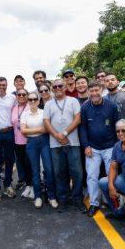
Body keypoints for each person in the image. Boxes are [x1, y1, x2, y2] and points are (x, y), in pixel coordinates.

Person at [44, 78, 84, 213]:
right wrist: (57, 136)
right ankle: (63, 198)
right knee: (59, 173)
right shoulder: (48, 104)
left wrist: (64, 133)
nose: (57, 88)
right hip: (55, 145)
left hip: (73, 143)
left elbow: (78, 119)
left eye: (60, 86)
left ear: (64, 87)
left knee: (77, 172)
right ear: (52, 89)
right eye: (54, 87)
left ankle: (78, 199)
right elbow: (46, 122)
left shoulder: (73, 101)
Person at [79, 81, 119, 217]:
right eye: (91, 91)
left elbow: (118, 125)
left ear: (102, 90)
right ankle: (94, 203)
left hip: (110, 147)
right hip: (92, 148)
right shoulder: (85, 107)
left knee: (111, 176)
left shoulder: (111, 106)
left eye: (97, 90)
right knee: (91, 176)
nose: (94, 93)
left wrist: (117, 146)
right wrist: (86, 145)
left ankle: (114, 203)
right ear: (88, 92)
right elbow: (83, 128)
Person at [20, 91, 56, 209]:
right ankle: (38, 197)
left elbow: (47, 128)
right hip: (31, 143)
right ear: (28, 101)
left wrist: (32, 130)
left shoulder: (44, 112)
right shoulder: (25, 114)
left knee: (49, 169)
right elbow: (23, 131)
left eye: (35, 99)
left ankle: (51, 196)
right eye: (30, 99)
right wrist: (40, 129)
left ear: (38, 100)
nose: (32, 101)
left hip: (45, 141)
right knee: (35, 171)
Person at [0, 77, 20, 197]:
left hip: (10, 132)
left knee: (9, 159)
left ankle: (8, 185)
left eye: (3, 85)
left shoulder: (12, 98)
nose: (1, 87)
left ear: (7, 85)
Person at [9, 88, 34, 199]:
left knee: (31, 165)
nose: (21, 96)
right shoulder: (14, 108)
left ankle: (34, 187)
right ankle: (28, 186)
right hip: (17, 141)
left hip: (30, 141)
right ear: (16, 96)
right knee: (24, 165)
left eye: (24, 94)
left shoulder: (31, 107)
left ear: (27, 95)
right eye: (19, 94)